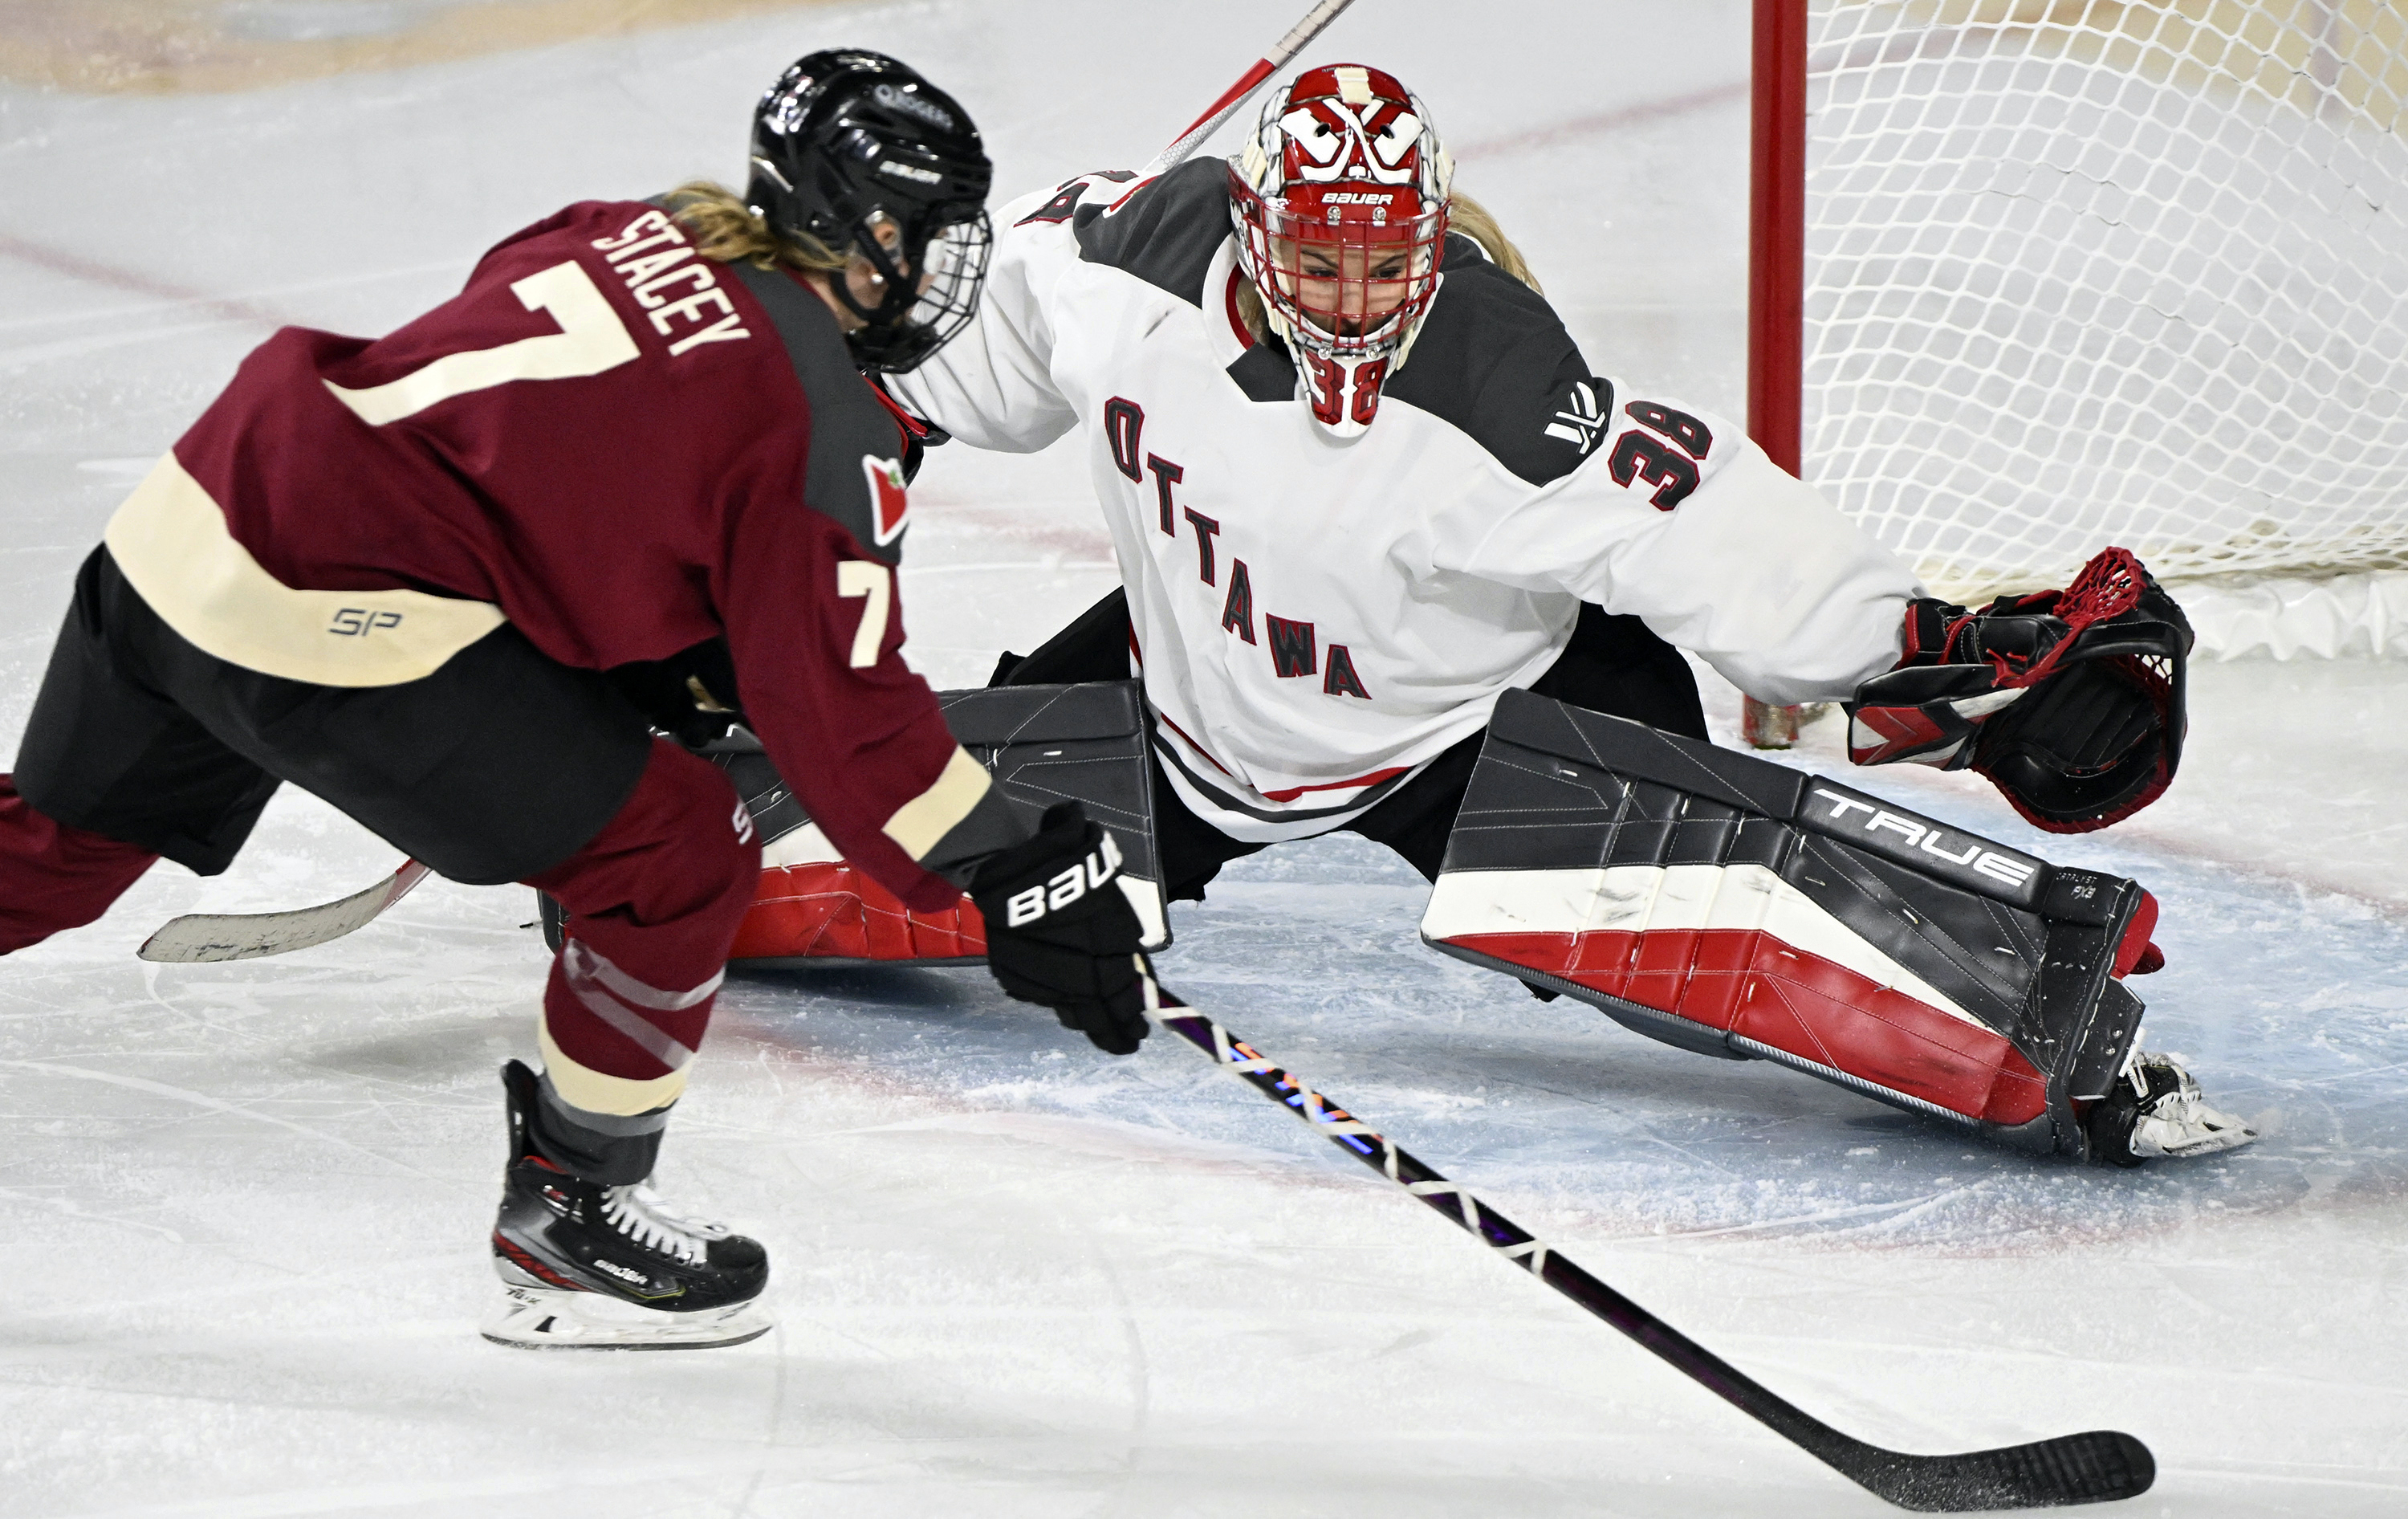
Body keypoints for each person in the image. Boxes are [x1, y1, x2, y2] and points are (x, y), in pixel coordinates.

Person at [881, 63, 2251, 1164]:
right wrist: (818, 464)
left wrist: (1925, 657)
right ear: (1252, 229)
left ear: (1428, 245)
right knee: (876, 847)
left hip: (1465, 720)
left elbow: (1712, 525)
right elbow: (934, 370)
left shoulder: (1504, 383)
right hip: (1186, 687)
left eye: (1382, 266)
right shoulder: (1116, 265)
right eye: (1317, 264)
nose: (1352, 304)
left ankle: (2070, 1033)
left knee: (1712, 960)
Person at [0, 49, 1156, 1351]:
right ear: (856, 227)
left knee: (59, 851)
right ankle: (572, 1213)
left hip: (198, 507)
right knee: (674, 854)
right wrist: (1015, 867)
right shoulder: (815, 420)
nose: (947, 269)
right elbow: (849, 725)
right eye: (927, 235)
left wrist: (636, 639)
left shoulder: (632, 229)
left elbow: (535, 433)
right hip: (339, 629)